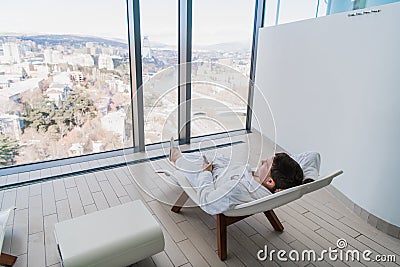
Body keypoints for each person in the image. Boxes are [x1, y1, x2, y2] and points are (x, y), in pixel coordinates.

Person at [168, 138, 315, 215]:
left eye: (266, 164)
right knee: (202, 156)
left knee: (185, 162)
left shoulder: (236, 189)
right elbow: (312, 156)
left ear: (270, 181)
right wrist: (305, 179)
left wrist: (206, 173)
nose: (262, 161)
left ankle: (175, 156)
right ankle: (185, 156)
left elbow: (208, 203)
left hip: (212, 177)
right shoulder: (274, 183)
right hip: (228, 168)